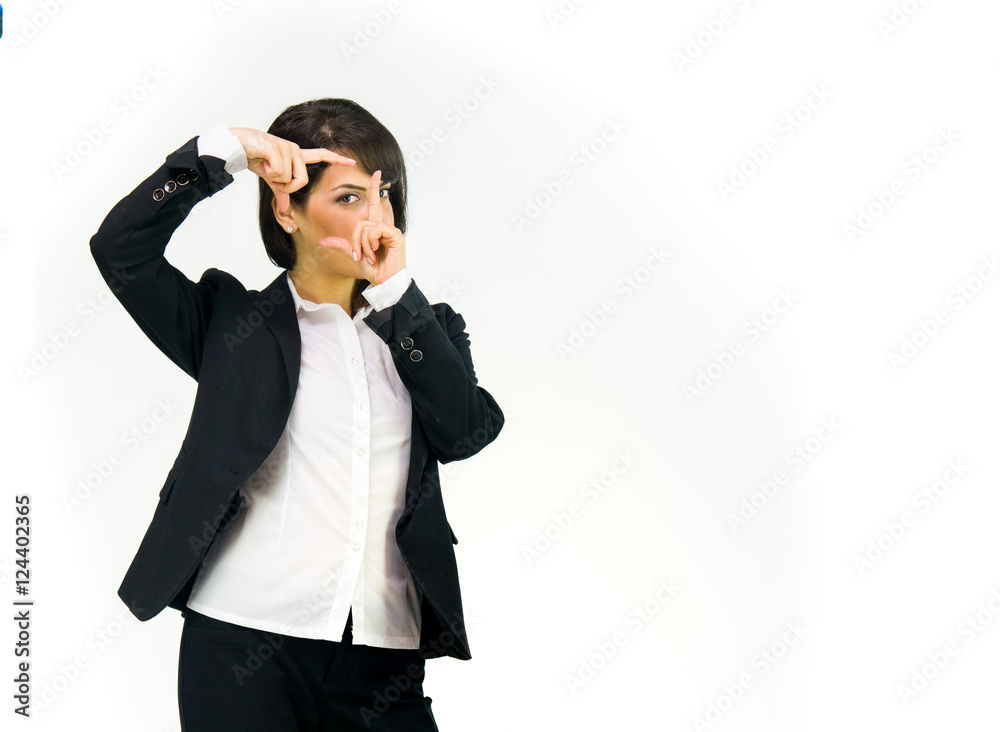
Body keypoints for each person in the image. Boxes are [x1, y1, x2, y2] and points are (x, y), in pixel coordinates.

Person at [89, 97, 505, 731]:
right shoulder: (232, 325)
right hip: (241, 644)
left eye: (386, 194)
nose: (376, 216)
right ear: (288, 210)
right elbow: (121, 250)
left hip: (384, 656)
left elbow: (467, 433)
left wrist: (396, 297)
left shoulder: (425, 329)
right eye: (349, 197)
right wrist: (223, 152)